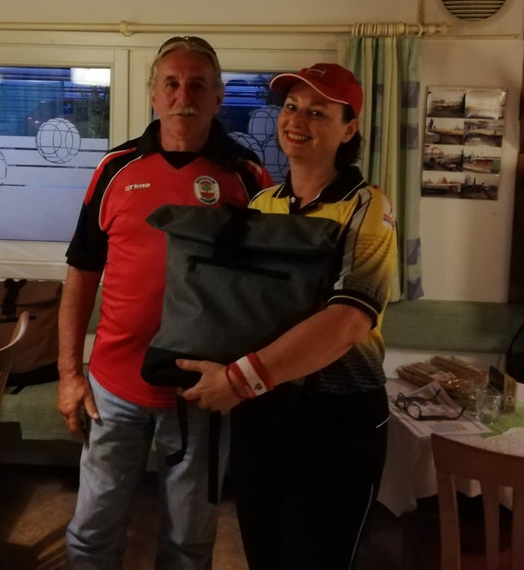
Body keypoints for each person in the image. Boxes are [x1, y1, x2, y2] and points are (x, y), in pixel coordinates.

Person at [57, 36, 273, 569]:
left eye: (198, 85)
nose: (183, 96)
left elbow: (265, 290)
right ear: (153, 93)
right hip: (113, 388)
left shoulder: (247, 177)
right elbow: (81, 274)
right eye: (171, 84)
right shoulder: (115, 169)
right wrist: (69, 374)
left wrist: (245, 377)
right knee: (91, 533)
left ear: (218, 97)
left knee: (189, 543)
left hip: (203, 393)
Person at [178, 62, 399, 570]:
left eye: (317, 112)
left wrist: (237, 380)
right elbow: (243, 308)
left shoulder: (368, 206)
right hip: (264, 414)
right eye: (292, 107)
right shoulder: (262, 204)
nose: (296, 120)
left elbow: (348, 322)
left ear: (349, 129)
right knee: (265, 554)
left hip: (338, 419)